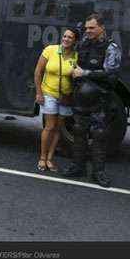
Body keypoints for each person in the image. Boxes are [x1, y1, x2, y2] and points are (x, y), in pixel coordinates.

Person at [63, 13, 122, 187]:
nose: (87, 31)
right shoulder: (82, 45)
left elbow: (111, 74)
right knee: (79, 132)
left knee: (99, 135)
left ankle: (99, 172)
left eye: (91, 28)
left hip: (100, 99)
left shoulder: (111, 48)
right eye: (86, 28)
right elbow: (74, 63)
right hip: (82, 97)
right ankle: (77, 167)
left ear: (101, 27)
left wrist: (85, 73)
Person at [34, 28, 78, 172]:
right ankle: (42, 158)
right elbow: (38, 72)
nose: (65, 39)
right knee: (50, 126)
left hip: (65, 97)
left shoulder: (76, 56)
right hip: (49, 94)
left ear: (74, 41)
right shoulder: (50, 50)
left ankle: (50, 159)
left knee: (58, 129)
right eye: (64, 36)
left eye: (70, 37)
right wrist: (39, 93)